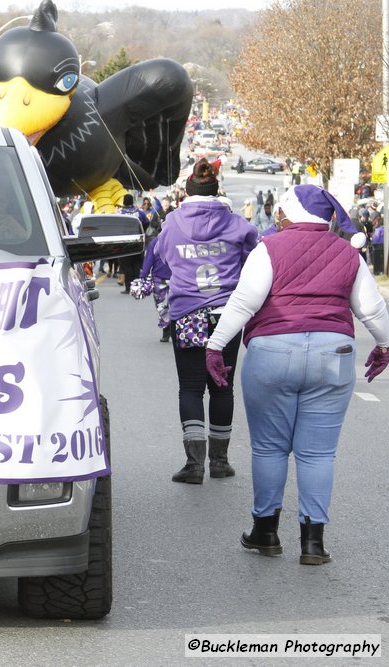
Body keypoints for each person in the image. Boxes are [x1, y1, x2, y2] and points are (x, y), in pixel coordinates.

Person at [204, 184, 389, 565]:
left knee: (270, 448)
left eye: (282, 210)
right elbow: (371, 309)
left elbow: (244, 302)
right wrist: (385, 345)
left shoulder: (269, 249)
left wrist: (215, 345)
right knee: (318, 453)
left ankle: (266, 531)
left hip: (273, 352)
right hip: (333, 354)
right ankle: (313, 543)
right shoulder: (347, 254)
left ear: (292, 213)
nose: (277, 216)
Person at [154, 158, 258, 484]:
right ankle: (220, 461)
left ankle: (194, 465)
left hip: (187, 314)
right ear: (216, 190)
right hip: (226, 314)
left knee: (190, 388)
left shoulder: (172, 223)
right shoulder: (238, 224)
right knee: (222, 388)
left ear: (188, 191)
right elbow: (255, 259)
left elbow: (162, 256)